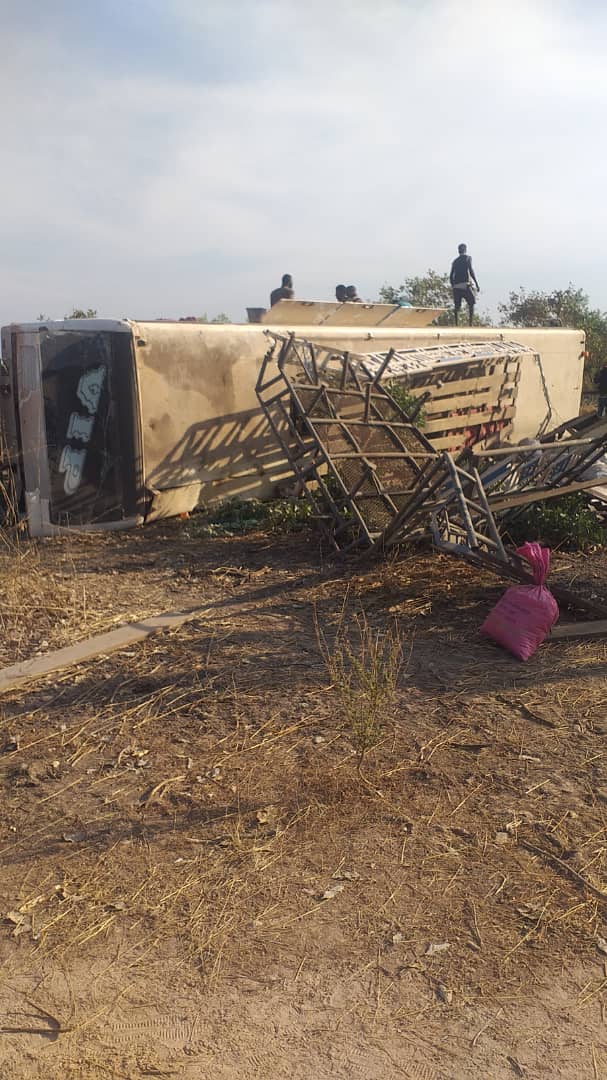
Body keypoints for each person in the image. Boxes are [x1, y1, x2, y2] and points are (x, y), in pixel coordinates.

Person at [449, 244, 479, 326]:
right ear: (465, 249)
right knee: (471, 302)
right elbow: (471, 270)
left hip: (456, 286)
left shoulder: (455, 261)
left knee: (457, 306)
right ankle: (470, 324)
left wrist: (453, 286)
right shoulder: (468, 258)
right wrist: (476, 283)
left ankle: (456, 324)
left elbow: (451, 276)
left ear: (458, 251)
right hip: (465, 285)